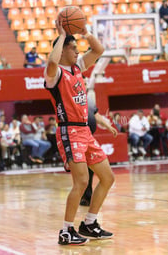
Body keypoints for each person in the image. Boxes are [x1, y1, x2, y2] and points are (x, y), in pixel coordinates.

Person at [44, 18, 115, 245]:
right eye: (73, 48)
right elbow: (51, 62)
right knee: (82, 181)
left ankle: (90, 223)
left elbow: (98, 49)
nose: (77, 52)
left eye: (77, 48)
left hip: (85, 131)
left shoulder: (78, 67)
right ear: (63, 48)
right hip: (69, 131)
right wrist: (62, 34)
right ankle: (66, 231)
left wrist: (85, 32)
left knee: (107, 177)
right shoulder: (55, 74)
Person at [80, 103, 118, 206]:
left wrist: (108, 126)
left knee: (91, 168)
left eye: (86, 85)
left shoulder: (89, 101)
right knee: (81, 170)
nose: (85, 85)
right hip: (78, 138)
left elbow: (96, 115)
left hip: (89, 138)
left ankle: (87, 196)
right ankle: (82, 195)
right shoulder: (73, 98)